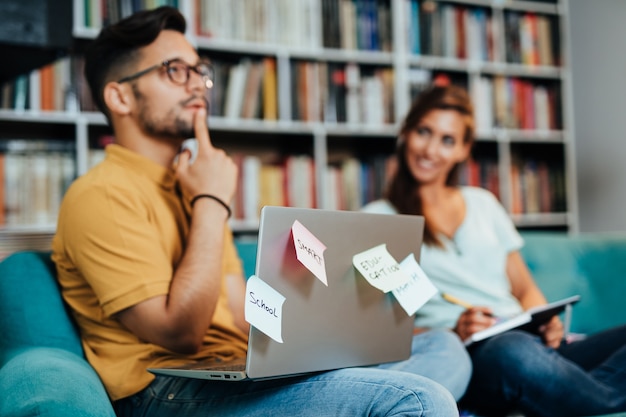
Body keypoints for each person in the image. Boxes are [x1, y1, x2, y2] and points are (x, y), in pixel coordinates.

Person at [51, 7, 471, 416]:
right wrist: (212, 204)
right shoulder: (102, 195)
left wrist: (324, 340)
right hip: (167, 391)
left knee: (444, 348)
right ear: (120, 96)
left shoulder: (192, 184)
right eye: (175, 70)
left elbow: (238, 313)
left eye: (200, 70)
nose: (198, 85)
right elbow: (179, 334)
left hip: (236, 369)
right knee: (420, 401)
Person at [362, 84, 626, 417]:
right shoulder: (376, 218)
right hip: (476, 354)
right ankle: (597, 397)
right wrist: (453, 331)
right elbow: (375, 328)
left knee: (529, 352)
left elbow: (524, 287)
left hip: (533, 345)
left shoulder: (483, 203)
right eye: (423, 132)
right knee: (513, 353)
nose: (430, 150)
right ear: (405, 133)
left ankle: (564, 392)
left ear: (463, 150)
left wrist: (546, 322)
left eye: (447, 140)